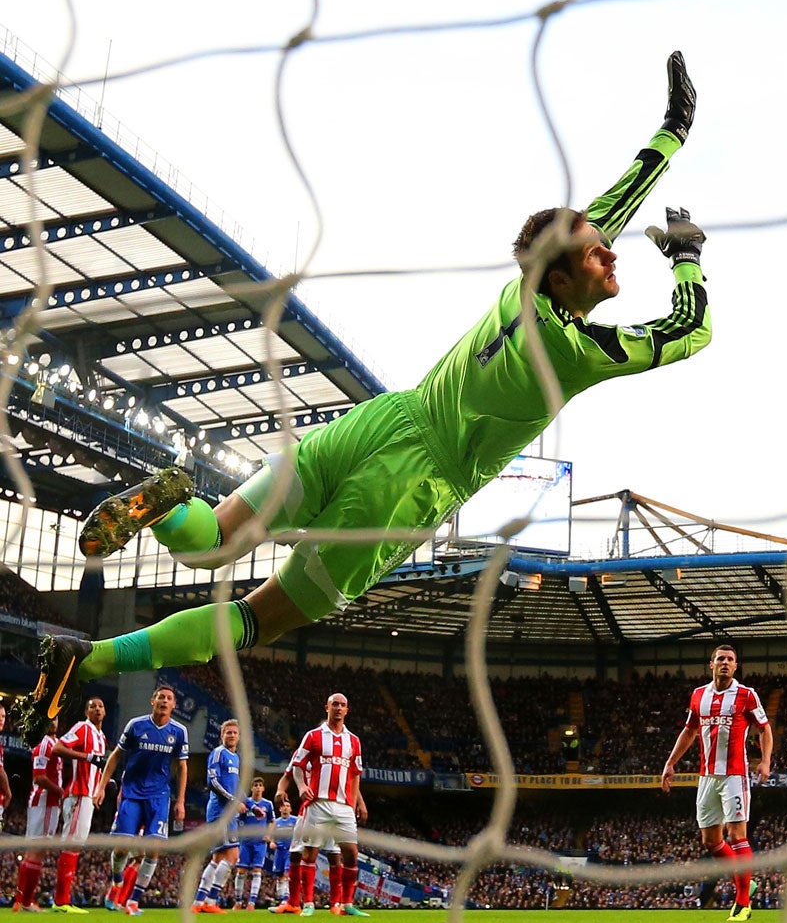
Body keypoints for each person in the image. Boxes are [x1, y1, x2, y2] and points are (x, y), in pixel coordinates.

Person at [17, 54, 710, 732]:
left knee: (211, 540)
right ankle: (95, 657)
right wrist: (686, 259)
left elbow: (606, 212)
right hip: (409, 488)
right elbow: (691, 331)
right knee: (258, 617)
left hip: (377, 422)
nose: (612, 251)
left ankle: (166, 507)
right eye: (598, 253)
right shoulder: (579, 351)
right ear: (560, 279)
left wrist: (672, 131)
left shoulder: (518, 290)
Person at [660, 644, 773, 922]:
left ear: (736, 667)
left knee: (737, 836)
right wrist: (671, 762)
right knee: (711, 841)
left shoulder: (747, 695)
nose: (725, 663)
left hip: (734, 775)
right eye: (720, 659)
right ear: (711, 664)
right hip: (707, 777)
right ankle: (745, 881)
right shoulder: (699, 695)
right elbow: (689, 730)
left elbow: (765, 729)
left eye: (730, 660)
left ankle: (743, 903)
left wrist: (766, 760)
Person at [94, 684, 188, 914]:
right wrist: (101, 786)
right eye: (160, 697)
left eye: (169, 698)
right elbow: (116, 756)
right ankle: (116, 880)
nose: (164, 701)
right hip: (132, 793)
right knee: (122, 849)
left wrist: (181, 801)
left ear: (174, 705)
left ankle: (133, 900)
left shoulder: (178, 731)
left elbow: (183, 767)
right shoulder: (136, 725)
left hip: (159, 795)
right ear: (152, 701)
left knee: (153, 849)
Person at [276, 692, 368, 917]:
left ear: (347, 710)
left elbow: (355, 774)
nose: (338, 708)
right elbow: (297, 765)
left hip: (343, 806)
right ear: (326, 707)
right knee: (310, 853)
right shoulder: (313, 736)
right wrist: (300, 787)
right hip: (317, 803)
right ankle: (307, 904)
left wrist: (357, 802)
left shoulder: (353, 741)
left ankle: (346, 904)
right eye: (334, 704)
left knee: (351, 854)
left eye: (342, 705)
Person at [41, 696, 106, 914]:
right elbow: (57, 748)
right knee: (72, 844)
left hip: (88, 795)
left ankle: (63, 900)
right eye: (92, 706)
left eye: (100, 706)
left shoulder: (101, 736)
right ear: (87, 713)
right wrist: (87, 756)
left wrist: (101, 788)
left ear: (104, 712)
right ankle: (60, 901)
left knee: (76, 845)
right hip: (78, 793)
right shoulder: (82, 728)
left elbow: (96, 767)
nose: (97, 709)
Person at [194, 719, 246, 912]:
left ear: (239, 737)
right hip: (220, 812)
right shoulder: (218, 754)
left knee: (218, 858)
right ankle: (211, 900)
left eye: (234, 733)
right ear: (221, 735)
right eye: (228, 732)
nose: (232, 735)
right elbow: (213, 783)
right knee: (233, 856)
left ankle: (199, 902)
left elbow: (237, 787)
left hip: (228, 813)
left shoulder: (236, 758)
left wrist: (249, 805)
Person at [11, 708, 58, 911]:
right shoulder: (43, 745)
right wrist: (61, 791)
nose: (53, 721)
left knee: (36, 851)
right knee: (36, 852)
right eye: (49, 718)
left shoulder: (55, 743)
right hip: (45, 801)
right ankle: (25, 901)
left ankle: (22, 901)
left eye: (55, 717)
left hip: (43, 803)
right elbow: (39, 777)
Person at [230, 777, 274, 909]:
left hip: (260, 843)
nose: (258, 787)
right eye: (255, 785)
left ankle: (251, 902)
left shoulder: (268, 804)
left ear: (263, 788)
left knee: (257, 870)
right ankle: (238, 901)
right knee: (241, 870)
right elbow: (237, 820)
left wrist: (269, 835)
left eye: (260, 785)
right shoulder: (246, 803)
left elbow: (272, 821)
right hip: (245, 842)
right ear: (251, 788)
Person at [267, 803, 299, 911]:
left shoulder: (295, 820)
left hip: (290, 851)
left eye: (287, 806)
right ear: (280, 808)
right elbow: (271, 836)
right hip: (279, 852)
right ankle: (281, 901)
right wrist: (272, 842)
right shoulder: (276, 822)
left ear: (290, 809)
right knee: (279, 876)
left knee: (287, 874)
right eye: (283, 806)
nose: (285, 808)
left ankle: (287, 900)